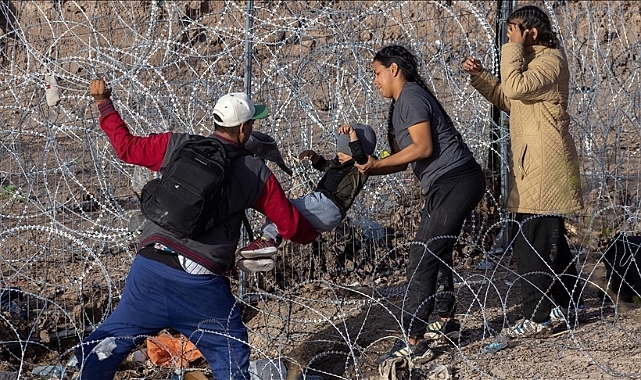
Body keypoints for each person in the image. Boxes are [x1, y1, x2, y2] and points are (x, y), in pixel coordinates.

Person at [74, 79, 318, 380]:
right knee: (231, 352)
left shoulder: (179, 145)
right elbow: (292, 226)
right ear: (243, 129)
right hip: (199, 284)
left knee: (106, 345)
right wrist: (315, 226)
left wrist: (103, 103)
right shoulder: (254, 172)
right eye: (251, 124)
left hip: (149, 266)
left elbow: (125, 147)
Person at [355, 45, 486, 363]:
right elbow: (404, 159)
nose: (374, 80)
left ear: (394, 69)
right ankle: (446, 322)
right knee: (435, 250)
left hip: (455, 180)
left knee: (423, 255)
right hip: (450, 183)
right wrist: (370, 165)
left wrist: (375, 165)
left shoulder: (410, 97)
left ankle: (414, 340)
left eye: (376, 73)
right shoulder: (403, 103)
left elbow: (424, 147)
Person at [462, 5, 585, 338]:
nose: (508, 36)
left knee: (531, 244)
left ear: (530, 33)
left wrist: (513, 51)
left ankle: (537, 316)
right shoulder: (531, 64)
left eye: (513, 30)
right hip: (534, 163)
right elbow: (509, 97)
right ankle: (571, 302)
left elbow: (515, 88)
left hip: (546, 164)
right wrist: (481, 76)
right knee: (547, 238)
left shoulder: (550, 61)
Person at [237, 123, 376, 272]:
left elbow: (359, 155)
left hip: (327, 204)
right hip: (326, 211)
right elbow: (324, 165)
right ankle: (264, 254)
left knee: (280, 208)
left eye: (344, 151)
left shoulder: (360, 167)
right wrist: (314, 156)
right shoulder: (340, 163)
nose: (339, 154)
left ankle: (267, 240)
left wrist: (352, 133)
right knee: (282, 214)